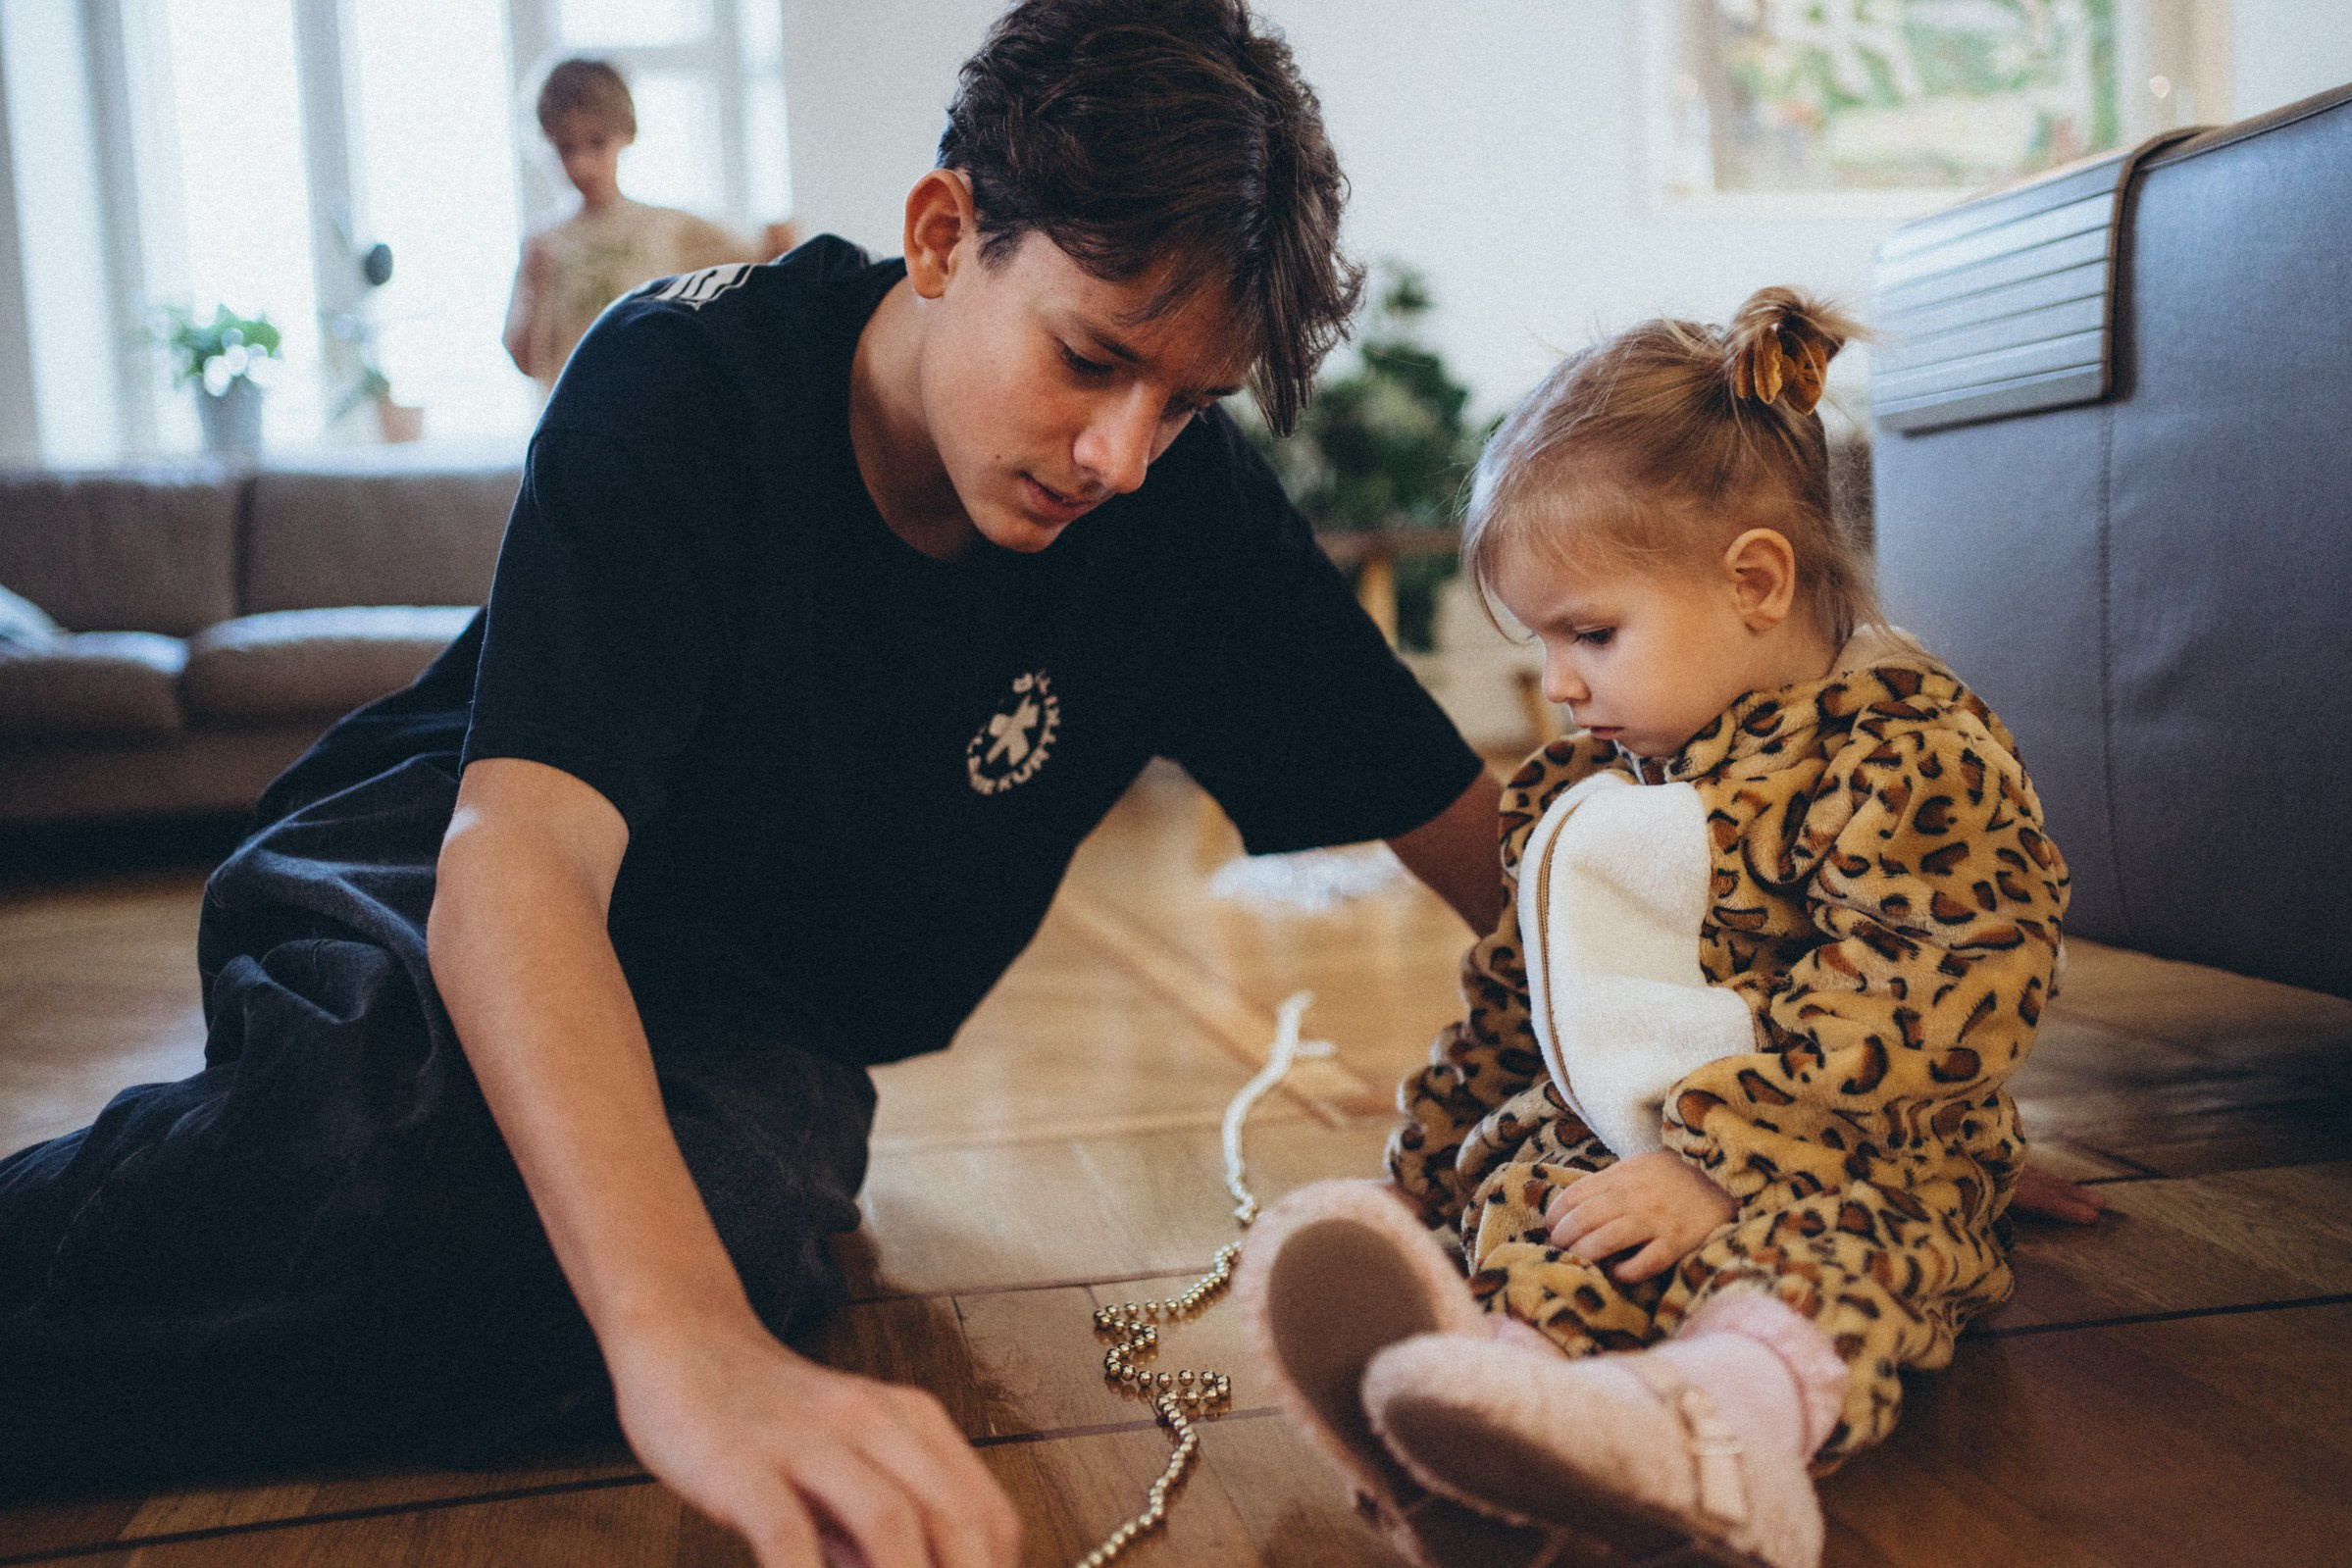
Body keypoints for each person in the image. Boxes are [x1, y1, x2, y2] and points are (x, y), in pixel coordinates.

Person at [0, 4, 1508, 1566]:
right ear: (942, 234)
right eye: (1091, 358)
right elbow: (513, 864)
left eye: (1187, 400)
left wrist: (1709, 1074)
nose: (1123, 453)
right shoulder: (683, 376)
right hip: (435, 865)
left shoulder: (1177, 514)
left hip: (738, 1006)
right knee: (406, 1145)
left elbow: (1464, 823)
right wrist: (682, 1348)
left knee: (716, 1219)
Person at [1239, 290, 2073, 1568]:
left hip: (1850, 1150)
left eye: (1590, 633)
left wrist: (1718, 1160)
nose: (1558, 682)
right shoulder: (1590, 786)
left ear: (1752, 580)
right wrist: (1416, 1188)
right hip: (1628, 1152)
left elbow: (1934, 987)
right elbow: (1520, 1005)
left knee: (1821, 1263)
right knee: (1531, 1218)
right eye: (1544, 640)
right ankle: (1491, 1429)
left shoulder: (1899, 754)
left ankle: (1705, 1436)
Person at [501, 57, 794, 393]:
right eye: (565, 147)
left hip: (656, 416)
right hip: (576, 426)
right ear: (546, 143)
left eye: (597, 142)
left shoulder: (672, 227)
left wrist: (779, 243)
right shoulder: (543, 243)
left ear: (625, 134)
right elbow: (525, 362)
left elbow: (762, 269)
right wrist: (532, 291)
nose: (581, 164)